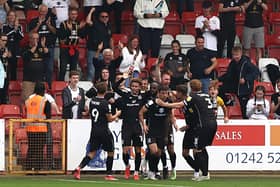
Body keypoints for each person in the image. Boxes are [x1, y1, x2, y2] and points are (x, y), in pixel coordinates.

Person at [156, 80, 217, 181]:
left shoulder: (191, 98)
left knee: (198, 149)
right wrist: (188, 125)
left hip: (201, 125)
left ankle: (203, 173)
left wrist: (163, 104)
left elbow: (180, 104)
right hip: (206, 124)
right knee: (192, 151)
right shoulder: (204, 95)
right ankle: (202, 171)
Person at [73, 81, 121, 180]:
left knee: (92, 152)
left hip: (94, 130)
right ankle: (108, 175)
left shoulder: (92, 101)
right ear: (106, 91)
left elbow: (90, 114)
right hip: (104, 131)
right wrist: (117, 114)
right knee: (110, 152)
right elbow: (110, 119)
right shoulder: (105, 103)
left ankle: (79, 168)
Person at [113, 73, 148, 180]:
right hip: (126, 126)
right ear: (130, 87)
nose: (134, 88)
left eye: (136, 86)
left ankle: (136, 172)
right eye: (133, 86)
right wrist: (124, 78)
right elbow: (114, 87)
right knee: (125, 150)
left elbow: (153, 92)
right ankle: (127, 166)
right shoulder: (126, 95)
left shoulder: (143, 97)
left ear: (140, 87)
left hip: (137, 126)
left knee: (138, 150)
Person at [139, 85, 175, 180]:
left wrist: (174, 123)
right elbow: (141, 112)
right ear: (158, 93)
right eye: (162, 93)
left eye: (166, 93)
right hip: (151, 130)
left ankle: (152, 171)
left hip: (163, 131)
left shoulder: (169, 102)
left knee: (158, 154)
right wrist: (144, 125)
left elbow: (170, 114)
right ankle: (151, 170)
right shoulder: (151, 102)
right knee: (154, 151)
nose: (164, 95)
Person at [218, 46, 259, 119]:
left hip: (245, 89)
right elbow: (228, 75)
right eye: (234, 55)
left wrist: (245, 79)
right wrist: (218, 80)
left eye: (237, 55)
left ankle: (246, 122)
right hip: (235, 86)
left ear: (241, 54)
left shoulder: (247, 63)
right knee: (220, 89)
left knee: (244, 109)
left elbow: (256, 73)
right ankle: (228, 101)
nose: (235, 57)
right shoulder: (233, 62)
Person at [29, 4, 56, 87]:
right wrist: (38, 24)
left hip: (49, 47)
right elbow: (30, 34)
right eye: (41, 11)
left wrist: (48, 25)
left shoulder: (51, 20)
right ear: (38, 11)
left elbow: (55, 32)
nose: (43, 13)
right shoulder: (33, 21)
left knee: (49, 69)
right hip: (37, 48)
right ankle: (39, 87)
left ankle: (49, 86)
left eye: (44, 11)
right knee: (39, 68)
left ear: (47, 12)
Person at [25, 82, 51, 170]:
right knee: (39, 149)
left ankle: (28, 168)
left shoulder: (28, 101)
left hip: (29, 129)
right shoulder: (44, 100)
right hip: (41, 128)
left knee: (31, 148)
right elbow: (48, 116)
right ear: (44, 90)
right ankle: (38, 168)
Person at [57, 7, 86, 81]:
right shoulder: (63, 24)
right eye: (72, 14)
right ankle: (60, 83)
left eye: (75, 14)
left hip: (75, 49)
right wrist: (69, 30)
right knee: (63, 69)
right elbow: (61, 37)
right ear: (68, 15)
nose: (74, 16)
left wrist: (80, 28)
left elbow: (82, 35)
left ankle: (72, 84)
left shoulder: (78, 24)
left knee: (73, 70)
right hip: (65, 49)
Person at [85, 8, 113, 81]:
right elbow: (88, 21)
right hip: (93, 51)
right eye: (102, 16)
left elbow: (110, 39)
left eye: (106, 16)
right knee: (91, 71)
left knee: (101, 72)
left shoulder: (109, 26)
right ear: (99, 17)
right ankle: (89, 89)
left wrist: (112, 52)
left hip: (104, 53)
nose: (104, 18)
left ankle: (100, 88)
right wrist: (91, 11)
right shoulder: (96, 23)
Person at [21, 32, 49, 102]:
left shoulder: (40, 49)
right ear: (30, 39)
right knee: (27, 101)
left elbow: (48, 55)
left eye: (37, 39)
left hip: (40, 80)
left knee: (40, 101)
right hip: (28, 80)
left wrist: (43, 46)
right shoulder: (25, 48)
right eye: (34, 39)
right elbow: (26, 56)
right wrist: (34, 47)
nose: (36, 40)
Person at [1, 10, 24, 80]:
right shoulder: (4, 27)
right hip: (6, 50)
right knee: (5, 69)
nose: (11, 17)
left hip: (15, 50)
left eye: (13, 15)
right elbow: (3, 38)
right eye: (10, 15)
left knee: (13, 70)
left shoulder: (19, 27)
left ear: (15, 17)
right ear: (7, 17)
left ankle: (13, 84)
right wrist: (7, 50)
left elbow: (20, 38)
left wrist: (16, 28)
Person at [0, 33, 9, 104]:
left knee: (3, 97)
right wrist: (2, 57)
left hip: (5, 77)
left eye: (6, 40)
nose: (4, 42)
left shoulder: (6, 49)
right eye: (3, 40)